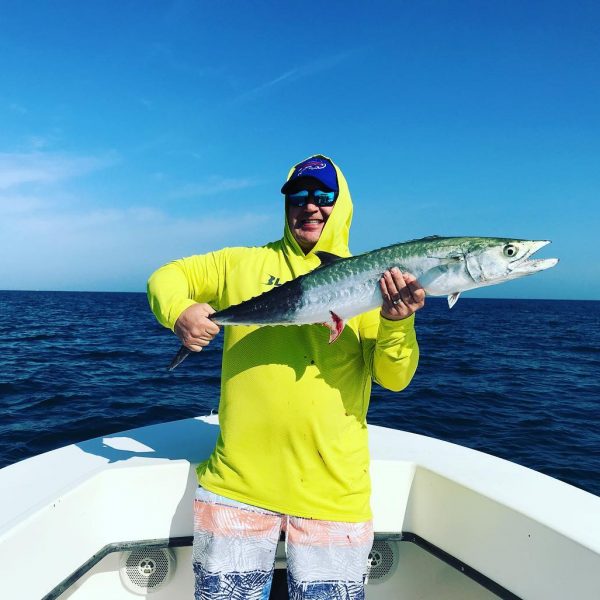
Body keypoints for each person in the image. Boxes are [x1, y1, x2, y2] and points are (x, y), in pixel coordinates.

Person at [147, 155, 424, 600]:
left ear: (342, 204)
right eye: (298, 196)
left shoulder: (376, 279)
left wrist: (397, 321)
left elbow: (395, 378)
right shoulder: (240, 264)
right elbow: (167, 276)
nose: (310, 206)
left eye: (324, 196)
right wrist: (179, 311)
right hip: (235, 488)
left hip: (334, 496)